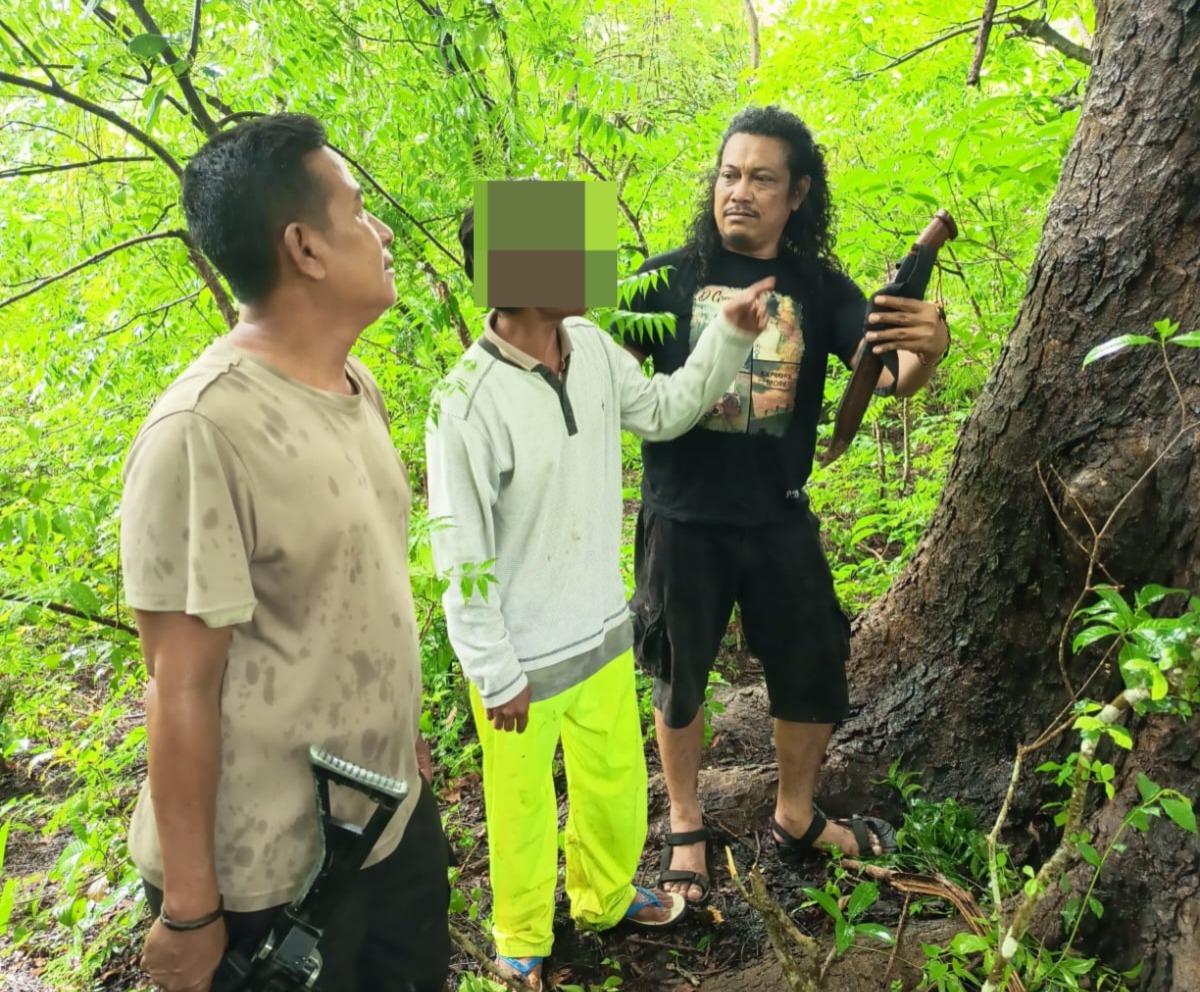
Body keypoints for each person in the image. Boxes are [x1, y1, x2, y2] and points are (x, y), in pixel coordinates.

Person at [120, 112, 450, 992]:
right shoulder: (203, 429)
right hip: (269, 880)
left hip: (387, 823)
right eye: (359, 212)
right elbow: (179, 685)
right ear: (305, 249)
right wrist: (191, 909)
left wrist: (403, 738)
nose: (382, 232)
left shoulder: (355, 385)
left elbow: (355, 595)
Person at [425, 199, 775, 990]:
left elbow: (664, 410)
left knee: (615, 785)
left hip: (600, 629)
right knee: (520, 808)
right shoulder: (466, 401)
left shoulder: (589, 346)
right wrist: (493, 670)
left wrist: (728, 336)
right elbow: (459, 549)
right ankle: (520, 936)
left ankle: (606, 897)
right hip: (520, 660)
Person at [624, 106, 952, 905]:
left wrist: (929, 346)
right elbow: (580, 358)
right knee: (678, 677)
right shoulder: (661, 279)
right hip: (682, 518)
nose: (739, 191)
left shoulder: (821, 290)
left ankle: (796, 815)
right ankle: (685, 822)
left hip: (779, 517)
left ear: (797, 193)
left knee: (812, 667)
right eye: (729, 175)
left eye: (762, 178)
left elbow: (892, 373)